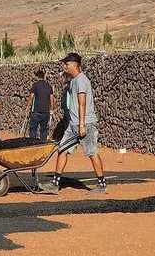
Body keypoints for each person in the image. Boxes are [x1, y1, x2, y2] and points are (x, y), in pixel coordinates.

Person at [40, 53, 107, 195]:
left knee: (92, 152)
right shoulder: (74, 81)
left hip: (85, 124)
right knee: (62, 149)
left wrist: (82, 125)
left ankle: (102, 185)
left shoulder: (82, 80)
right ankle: (55, 184)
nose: (65, 66)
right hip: (73, 124)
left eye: (67, 64)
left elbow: (82, 103)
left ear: (75, 64)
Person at [25, 68, 57, 140]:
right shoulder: (48, 86)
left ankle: (32, 143)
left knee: (33, 129)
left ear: (37, 77)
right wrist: (52, 109)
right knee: (44, 129)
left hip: (36, 110)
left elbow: (31, 96)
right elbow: (52, 98)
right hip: (45, 111)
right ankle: (43, 144)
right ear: (43, 76)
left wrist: (27, 107)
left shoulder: (35, 85)